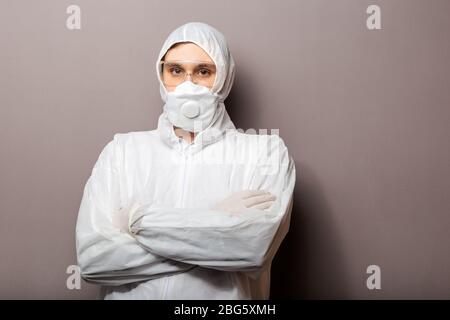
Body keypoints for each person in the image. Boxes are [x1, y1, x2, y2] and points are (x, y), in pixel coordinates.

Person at [75, 22, 296, 299]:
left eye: (203, 71)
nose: (188, 84)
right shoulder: (122, 151)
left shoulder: (265, 153)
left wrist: (139, 220)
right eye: (176, 71)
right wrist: (218, 226)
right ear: (161, 74)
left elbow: (252, 249)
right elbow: (95, 261)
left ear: (224, 78)